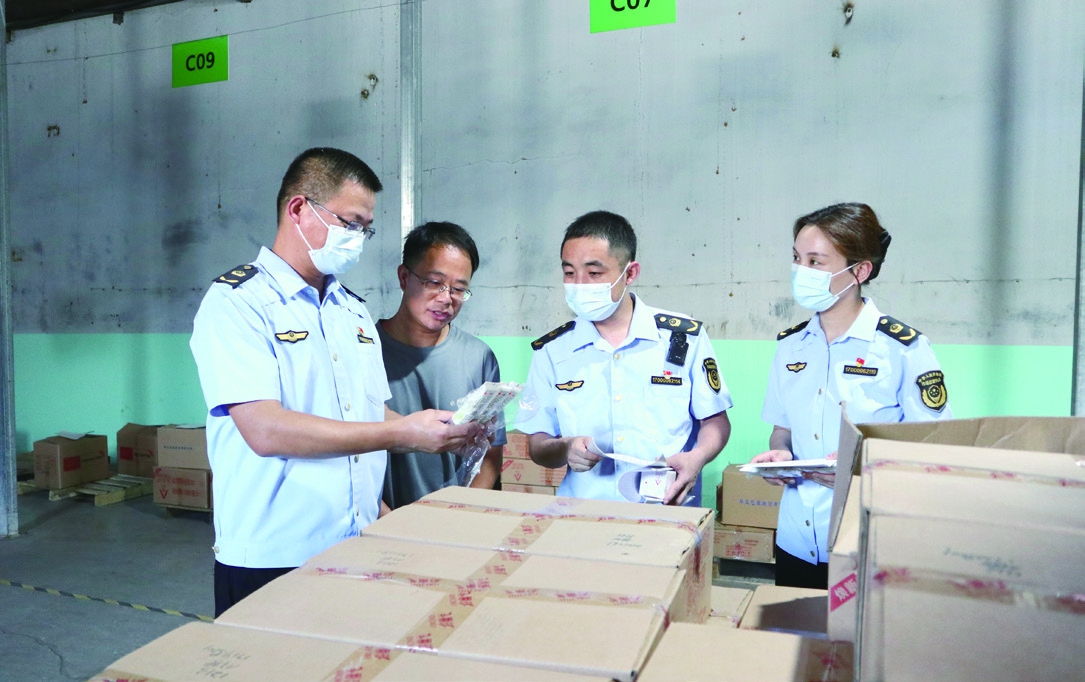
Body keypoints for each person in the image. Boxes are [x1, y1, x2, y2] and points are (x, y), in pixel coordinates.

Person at [189, 147, 483, 616]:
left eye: (366, 228)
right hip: (274, 555)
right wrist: (402, 433)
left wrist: (435, 431)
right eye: (350, 223)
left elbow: (369, 413)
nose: (358, 239)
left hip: (354, 545)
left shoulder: (352, 311)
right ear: (299, 209)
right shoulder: (239, 304)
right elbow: (264, 430)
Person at [750, 202, 953, 589]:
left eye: (815, 261)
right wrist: (781, 455)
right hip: (796, 538)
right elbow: (782, 429)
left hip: (867, 542)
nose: (801, 271)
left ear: (860, 271)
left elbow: (933, 446)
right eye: (797, 258)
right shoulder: (790, 346)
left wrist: (857, 469)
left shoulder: (902, 349)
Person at [517, 210, 733, 505]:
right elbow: (538, 444)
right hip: (583, 513)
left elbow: (716, 421)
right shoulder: (552, 351)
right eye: (569, 273)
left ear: (630, 273)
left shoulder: (684, 338)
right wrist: (566, 448)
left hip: (666, 510)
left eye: (594, 273)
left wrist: (698, 457)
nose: (579, 284)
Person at [378, 222, 505, 510]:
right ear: (403, 277)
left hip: (455, 521)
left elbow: (490, 453)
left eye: (459, 289)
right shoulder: (364, 351)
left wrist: (461, 515)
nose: (446, 298)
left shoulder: (479, 357)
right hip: (378, 521)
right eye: (434, 283)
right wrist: (384, 521)